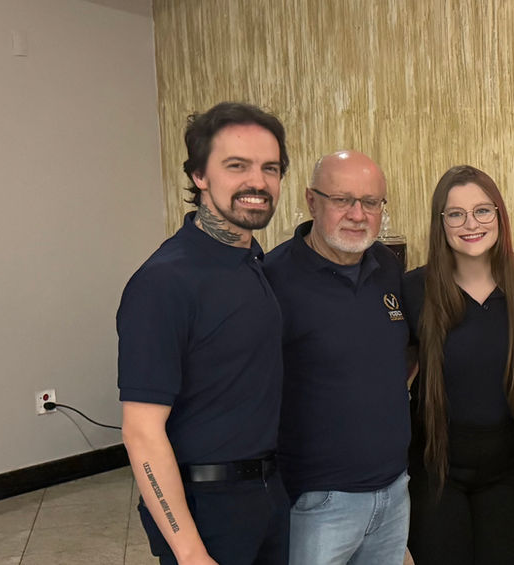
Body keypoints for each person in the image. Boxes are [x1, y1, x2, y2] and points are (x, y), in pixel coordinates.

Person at [118, 101, 291, 565]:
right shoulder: (164, 282)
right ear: (199, 175)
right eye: (237, 166)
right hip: (205, 508)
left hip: (268, 496)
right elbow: (141, 432)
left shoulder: (253, 263)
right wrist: (190, 551)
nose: (258, 182)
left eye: (270, 168)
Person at [262, 150, 412, 565]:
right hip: (317, 500)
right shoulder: (272, 279)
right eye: (342, 200)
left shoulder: (386, 266)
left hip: (393, 491)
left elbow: (403, 351)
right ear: (312, 201)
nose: (357, 215)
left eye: (371, 202)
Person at [402, 165, 514, 564]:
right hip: (436, 467)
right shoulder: (414, 288)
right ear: (441, 222)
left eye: (482, 210)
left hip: (510, 467)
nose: (471, 224)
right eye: (456, 214)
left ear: (499, 215)